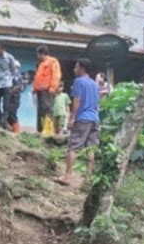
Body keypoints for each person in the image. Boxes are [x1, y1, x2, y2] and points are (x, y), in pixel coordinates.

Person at [57, 58, 99, 186]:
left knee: (73, 147)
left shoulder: (78, 81)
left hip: (82, 118)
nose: (74, 70)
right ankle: (88, 178)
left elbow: (77, 100)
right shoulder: (94, 84)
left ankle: (67, 176)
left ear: (82, 68)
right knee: (91, 148)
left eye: (76, 67)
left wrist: (72, 117)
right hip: (95, 118)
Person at [33, 45, 62, 135]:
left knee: (47, 109)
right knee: (40, 110)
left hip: (47, 89)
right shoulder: (41, 64)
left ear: (42, 54)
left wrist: (53, 87)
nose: (37, 56)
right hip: (39, 90)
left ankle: (48, 130)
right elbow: (38, 77)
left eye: (38, 54)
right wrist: (34, 88)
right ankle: (41, 130)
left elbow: (56, 75)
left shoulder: (52, 61)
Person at [8, 60, 23, 133]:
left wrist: (10, 92)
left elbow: (18, 86)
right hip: (9, 98)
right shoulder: (10, 75)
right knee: (7, 114)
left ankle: (17, 131)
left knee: (12, 113)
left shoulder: (17, 75)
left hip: (14, 98)